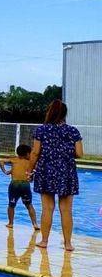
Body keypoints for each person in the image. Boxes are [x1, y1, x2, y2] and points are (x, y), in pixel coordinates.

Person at [28, 100, 83, 251]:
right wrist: (64, 154)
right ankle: (68, 244)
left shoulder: (41, 130)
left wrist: (29, 170)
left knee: (47, 208)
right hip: (67, 172)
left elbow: (35, 153)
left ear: (50, 112)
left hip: (46, 171)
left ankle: (44, 241)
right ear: (64, 114)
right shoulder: (73, 131)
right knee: (66, 210)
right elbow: (79, 153)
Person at [0, 145, 40, 230]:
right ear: (27, 154)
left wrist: (6, 171)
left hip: (15, 184)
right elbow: (36, 169)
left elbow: (1, 161)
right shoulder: (31, 162)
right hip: (25, 185)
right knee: (29, 205)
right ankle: (35, 224)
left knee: (11, 205)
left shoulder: (14, 159)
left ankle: (10, 223)